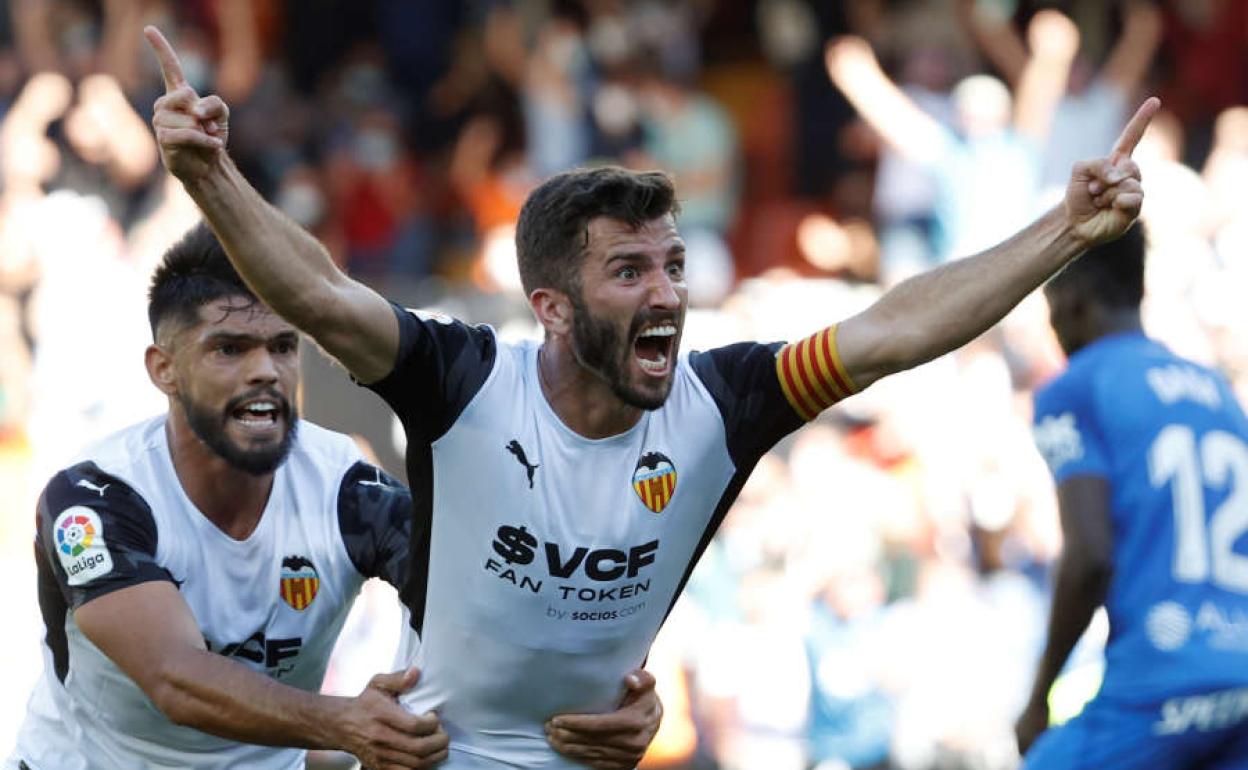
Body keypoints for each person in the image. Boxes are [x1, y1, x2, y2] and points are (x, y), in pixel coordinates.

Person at [143, 24, 1157, 768]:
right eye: (629, 270)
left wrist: (1063, 231)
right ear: (549, 304)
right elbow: (319, 294)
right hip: (428, 754)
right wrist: (209, 173)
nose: (667, 291)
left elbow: (897, 329)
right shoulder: (463, 380)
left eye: (672, 265)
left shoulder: (727, 401)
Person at [7, 224, 662, 770]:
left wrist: (611, 696)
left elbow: (493, 602)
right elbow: (174, 678)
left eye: (282, 346)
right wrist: (344, 725)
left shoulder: (347, 490)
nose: (265, 369)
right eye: (230, 348)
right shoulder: (94, 497)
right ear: (164, 370)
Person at [1016, 223, 1248, 767]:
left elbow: (1090, 557)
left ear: (1069, 299)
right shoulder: (1219, 393)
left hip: (1160, 682)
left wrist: (1038, 698)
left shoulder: (1076, 387)